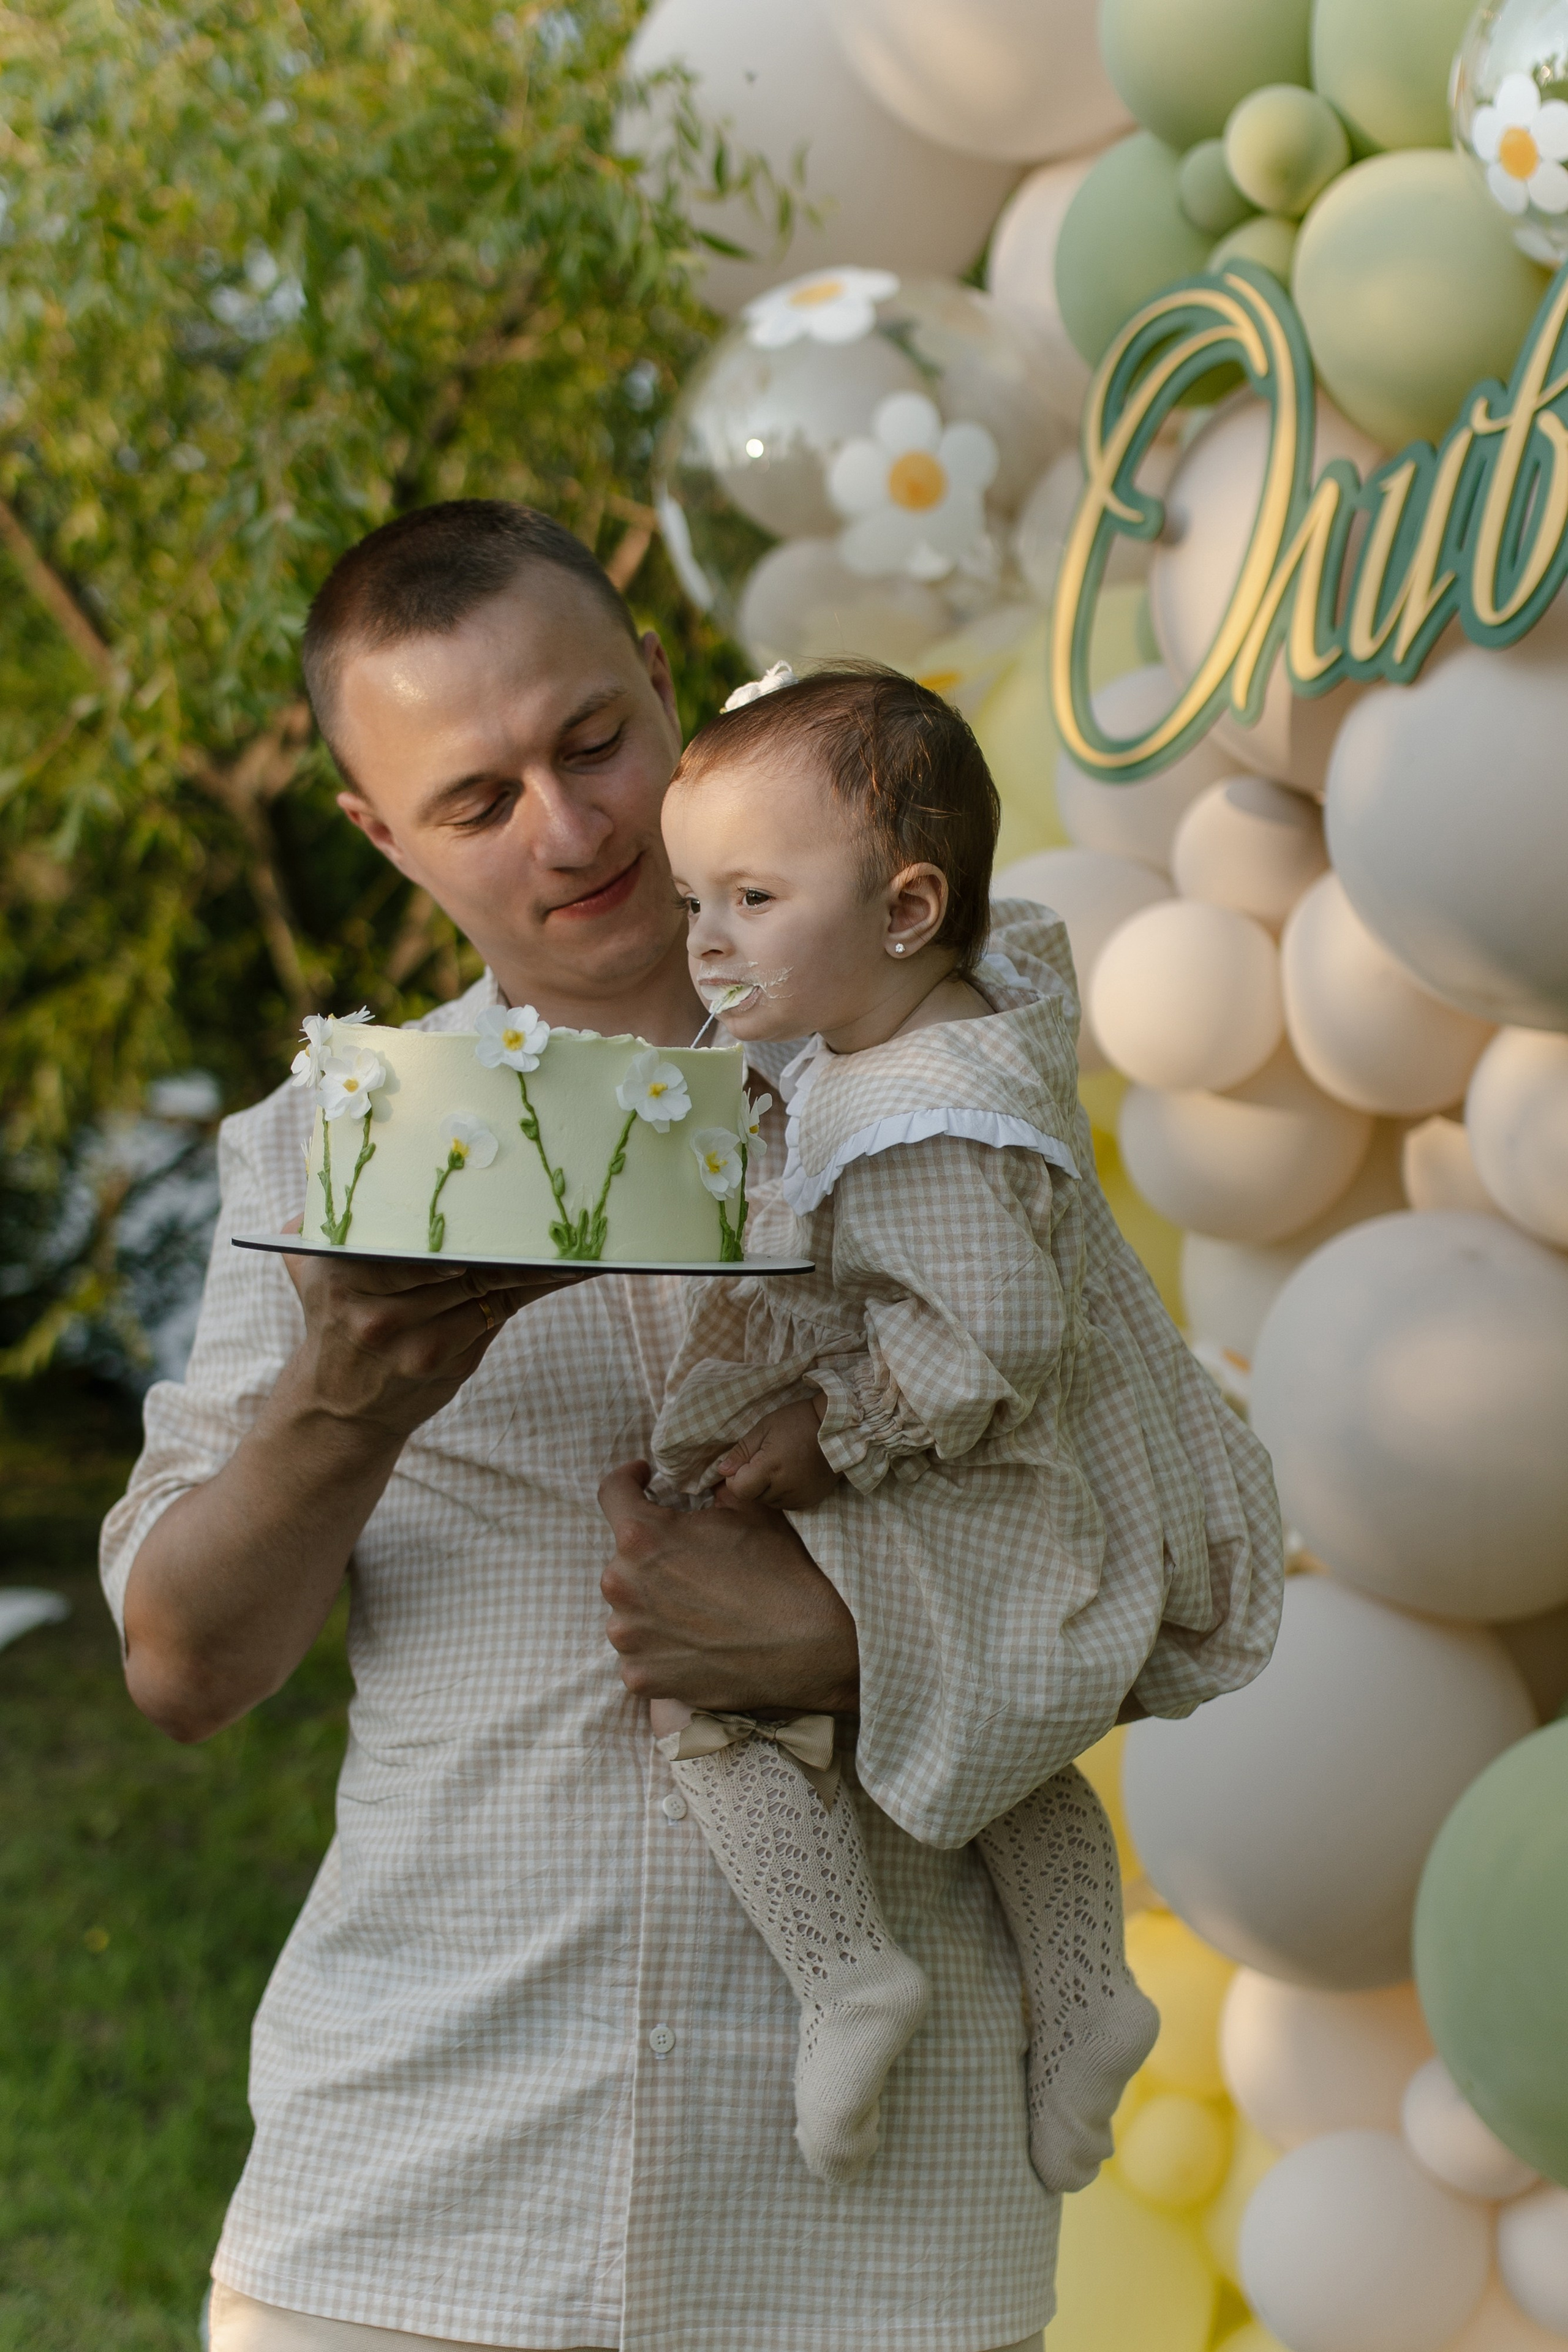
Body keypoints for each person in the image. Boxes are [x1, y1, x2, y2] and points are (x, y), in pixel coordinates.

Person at [98, 501, 1232, 2352]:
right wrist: (339, 1405)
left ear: (663, 681)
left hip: (877, 2220)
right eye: (476, 801)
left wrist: (855, 1636)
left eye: (594, 741)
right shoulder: (317, 1155)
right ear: (380, 835)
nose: (573, 829)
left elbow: (1164, 1551)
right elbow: (181, 1667)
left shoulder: (956, 1091)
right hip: (415, 2188)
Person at [645, 663, 1281, 2193]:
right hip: (1013, 1465)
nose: (704, 941)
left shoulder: (917, 1121)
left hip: (962, 1465)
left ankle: (845, 1969)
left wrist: (836, 1429)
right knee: (1001, 1732)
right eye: (693, 899)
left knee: (709, 1712)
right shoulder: (937, 1020)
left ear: (907, 910)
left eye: (747, 896)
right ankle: (1084, 1995)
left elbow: (995, 1331)